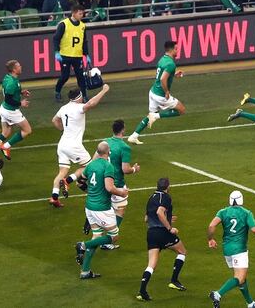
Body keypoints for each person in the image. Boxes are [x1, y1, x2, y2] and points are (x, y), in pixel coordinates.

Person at [73, 141, 130, 279]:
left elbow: (81, 181)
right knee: (113, 237)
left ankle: (85, 271)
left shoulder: (91, 165)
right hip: (102, 209)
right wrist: (122, 193)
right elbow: (109, 188)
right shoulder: (107, 166)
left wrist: (90, 190)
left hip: (89, 207)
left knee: (97, 236)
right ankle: (83, 245)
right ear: (108, 152)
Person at [49, 84, 110, 208]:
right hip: (74, 146)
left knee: (62, 172)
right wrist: (104, 90)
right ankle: (68, 181)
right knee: (89, 167)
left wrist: (63, 130)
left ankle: (54, 197)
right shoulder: (78, 107)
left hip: (62, 144)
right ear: (79, 97)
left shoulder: (64, 108)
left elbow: (54, 120)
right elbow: (92, 103)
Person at [207, 190, 255, 308]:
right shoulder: (246, 213)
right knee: (239, 277)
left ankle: (250, 304)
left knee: (241, 277)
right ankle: (218, 294)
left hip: (227, 250)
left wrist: (210, 239)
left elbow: (211, 225)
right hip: (239, 250)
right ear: (241, 200)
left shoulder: (222, 212)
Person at [90, 120, 141, 248]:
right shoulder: (124, 147)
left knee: (105, 209)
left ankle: (99, 236)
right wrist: (134, 169)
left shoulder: (105, 143)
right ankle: (109, 240)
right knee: (120, 211)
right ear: (123, 130)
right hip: (117, 184)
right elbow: (125, 169)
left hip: (103, 184)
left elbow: (93, 161)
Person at [136, 177, 188, 301]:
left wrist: (168, 218)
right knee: (182, 251)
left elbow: (147, 219)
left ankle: (142, 291)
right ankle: (174, 281)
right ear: (167, 187)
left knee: (151, 265)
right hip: (163, 233)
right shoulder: (166, 197)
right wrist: (170, 228)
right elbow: (160, 212)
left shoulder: (151, 197)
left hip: (151, 233)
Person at [127, 41, 186, 145]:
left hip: (153, 92)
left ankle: (134, 136)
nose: (178, 51)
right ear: (172, 50)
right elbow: (163, 79)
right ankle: (157, 116)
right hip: (160, 95)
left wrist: (174, 74)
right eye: (176, 49)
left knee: (150, 115)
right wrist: (167, 91)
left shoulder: (162, 59)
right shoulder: (171, 63)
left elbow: (162, 76)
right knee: (181, 110)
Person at [0, 60, 32, 160]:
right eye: (19, 66)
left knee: (5, 133)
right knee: (27, 130)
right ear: (14, 69)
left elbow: (10, 93)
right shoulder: (11, 83)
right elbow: (8, 99)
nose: (21, 67)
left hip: (4, 109)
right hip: (11, 111)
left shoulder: (9, 77)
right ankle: (5, 147)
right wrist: (20, 103)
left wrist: (21, 92)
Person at [53, 6, 90, 103]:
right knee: (65, 76)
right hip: (65, 55)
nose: (82, 16)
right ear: (73, 13)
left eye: (82, 13)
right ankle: (57, 91)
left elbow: (84, 41)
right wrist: (57, 52)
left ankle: (84, 95)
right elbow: (56, 38)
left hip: (77, 55)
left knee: (80, 76)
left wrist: (86, 54)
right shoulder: (64, 24)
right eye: (80, 13)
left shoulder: (82, 26)